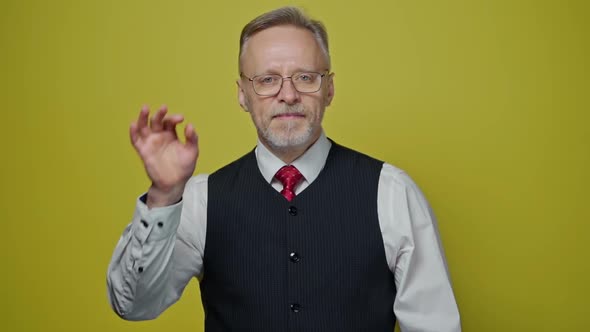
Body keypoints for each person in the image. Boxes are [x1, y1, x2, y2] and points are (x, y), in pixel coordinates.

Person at [107, 6, 461, 332]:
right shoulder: (201, 200)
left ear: (330, 89)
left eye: (305, 77)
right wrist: (165, 195)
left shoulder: (392, 193)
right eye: (267, 80)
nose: (288, 95)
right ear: (242, 94)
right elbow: (133, 305)